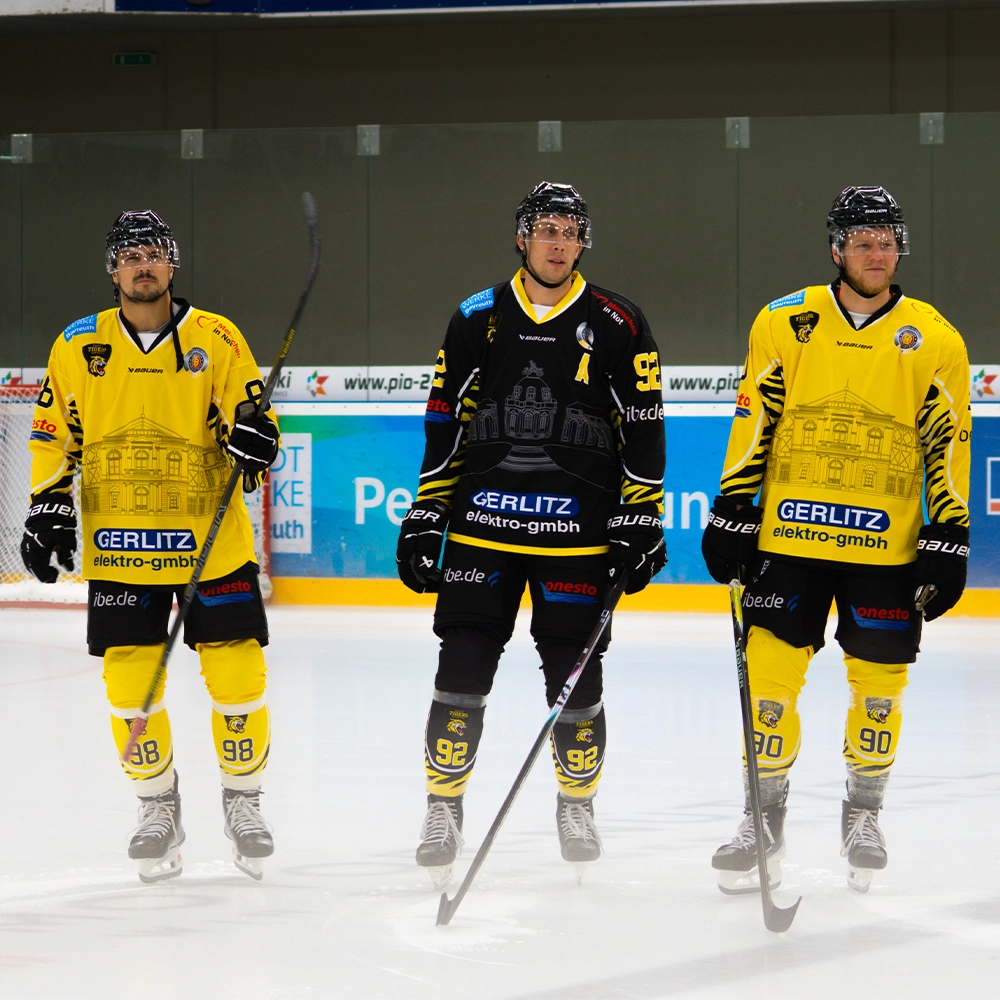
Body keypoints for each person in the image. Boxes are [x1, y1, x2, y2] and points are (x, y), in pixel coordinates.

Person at [396, 182, 667, 888]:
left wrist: (641, 514)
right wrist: (427, 511)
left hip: (578, 539)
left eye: (570, 231)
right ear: (521, 237)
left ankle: (577, 805)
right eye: (546, 228)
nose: (558, 242)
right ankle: (443, 806)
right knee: (461, 669)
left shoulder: (617, 321)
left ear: (583, 242)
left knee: (576, 680)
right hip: (483, 531)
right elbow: (445, 422)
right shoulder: (476, 316)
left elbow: (643, 427)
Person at [701, 186, 971, 893]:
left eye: (888, 241)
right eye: (863, 241)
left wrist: (949, 530)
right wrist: (734, 505)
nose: (877, 253)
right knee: (768, 684)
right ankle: (762, 818)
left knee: (879, 689)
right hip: (789, 541)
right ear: (836, 249)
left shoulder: (936, 337)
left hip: (887, 551)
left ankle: (864, 814)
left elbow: (948, 441)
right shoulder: (784, 319)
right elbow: (755, 417)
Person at [23, 210, 281, 883]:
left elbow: (253, 419)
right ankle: (157, 806)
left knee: (239, 676)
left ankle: (243, 801)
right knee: (130, 686)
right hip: (120, 547)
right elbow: (53, 433)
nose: (143, 265)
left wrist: (257, 439)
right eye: (130, 255)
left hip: (212, 546)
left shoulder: (216, 336)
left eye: (154, 253)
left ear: (172, 264)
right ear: (112, 270)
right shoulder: (77, 344)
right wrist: (47, 503)